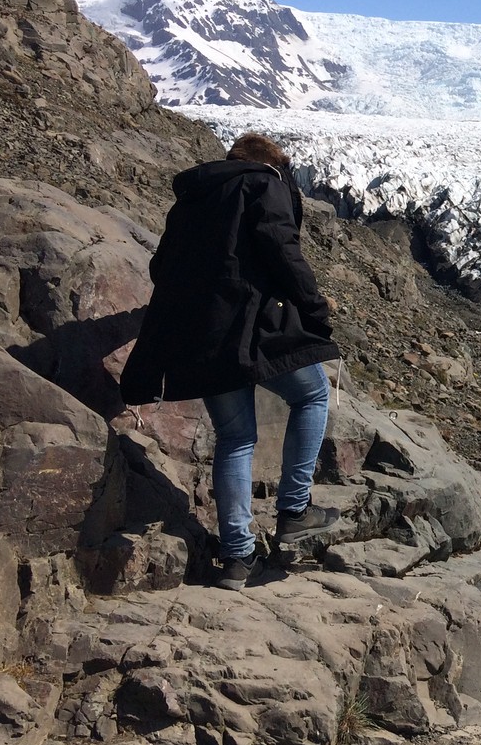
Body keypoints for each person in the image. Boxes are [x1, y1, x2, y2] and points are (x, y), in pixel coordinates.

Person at [122, 132, 342, 589]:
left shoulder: (191, 199)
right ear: (273, 164)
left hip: (202, 340)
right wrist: (315, 308)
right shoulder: (264, 184)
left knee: (235, 437)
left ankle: (238, 559)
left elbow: (161, 270)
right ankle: (295, 510)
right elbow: (283, 249)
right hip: (251, 328)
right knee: (314, 394)